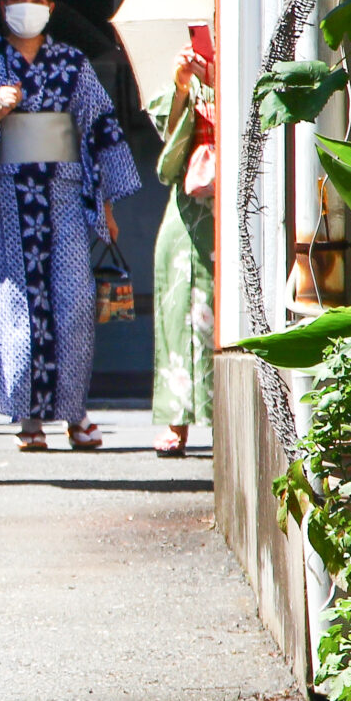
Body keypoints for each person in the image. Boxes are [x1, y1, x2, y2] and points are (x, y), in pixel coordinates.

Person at [0, 0, 142, 451]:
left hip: (66, 196)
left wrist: (106, 203)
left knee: (74, 306)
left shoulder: (73, 64)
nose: (26, 4)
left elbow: (100, 128)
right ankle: (29, 419)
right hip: (7, 203)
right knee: (18, 308)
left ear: (51, 7)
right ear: (1, 6)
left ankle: (75, 413)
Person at [150, 27, 217, 455]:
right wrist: (181, 86)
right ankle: (176, 420)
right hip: (189, 200)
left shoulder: (245, 50)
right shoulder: (187, 66)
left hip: (234, 196)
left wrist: (218, 80)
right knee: (177, 301)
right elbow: (168, 136)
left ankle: (221, 417)